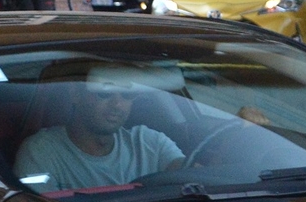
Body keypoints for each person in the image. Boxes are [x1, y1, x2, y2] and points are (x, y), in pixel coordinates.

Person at [13, 68, 183, 192]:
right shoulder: (41, 152)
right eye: (105, 92)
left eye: (126, 95)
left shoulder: (150, 143)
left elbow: (192, 177)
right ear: (76, 95)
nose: (117, 104)